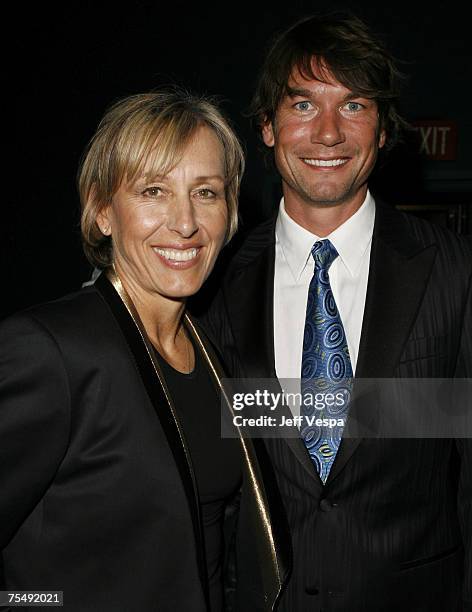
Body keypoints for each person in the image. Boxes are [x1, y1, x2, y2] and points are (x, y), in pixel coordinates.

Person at [196, 13, 472, 611]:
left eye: (353, 106)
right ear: (266, 127)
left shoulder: (457, 272)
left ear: (382, 128)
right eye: (301, 106)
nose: (327, 134)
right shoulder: (210, 281)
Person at [0, 89, 289, 611]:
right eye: (154, 190)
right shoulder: (50, 351)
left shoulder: (212, 356)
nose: (185, 223)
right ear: (103, 211)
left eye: (206, 192)